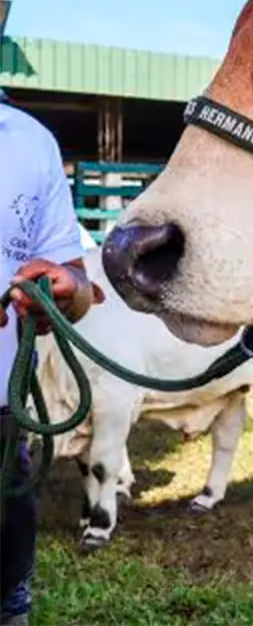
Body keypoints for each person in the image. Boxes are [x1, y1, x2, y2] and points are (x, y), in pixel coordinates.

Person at [0, 90, 99, 626]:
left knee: (7, 592)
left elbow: (76, 284)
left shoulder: (30, 142)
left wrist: (64, 291)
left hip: (2, 422)